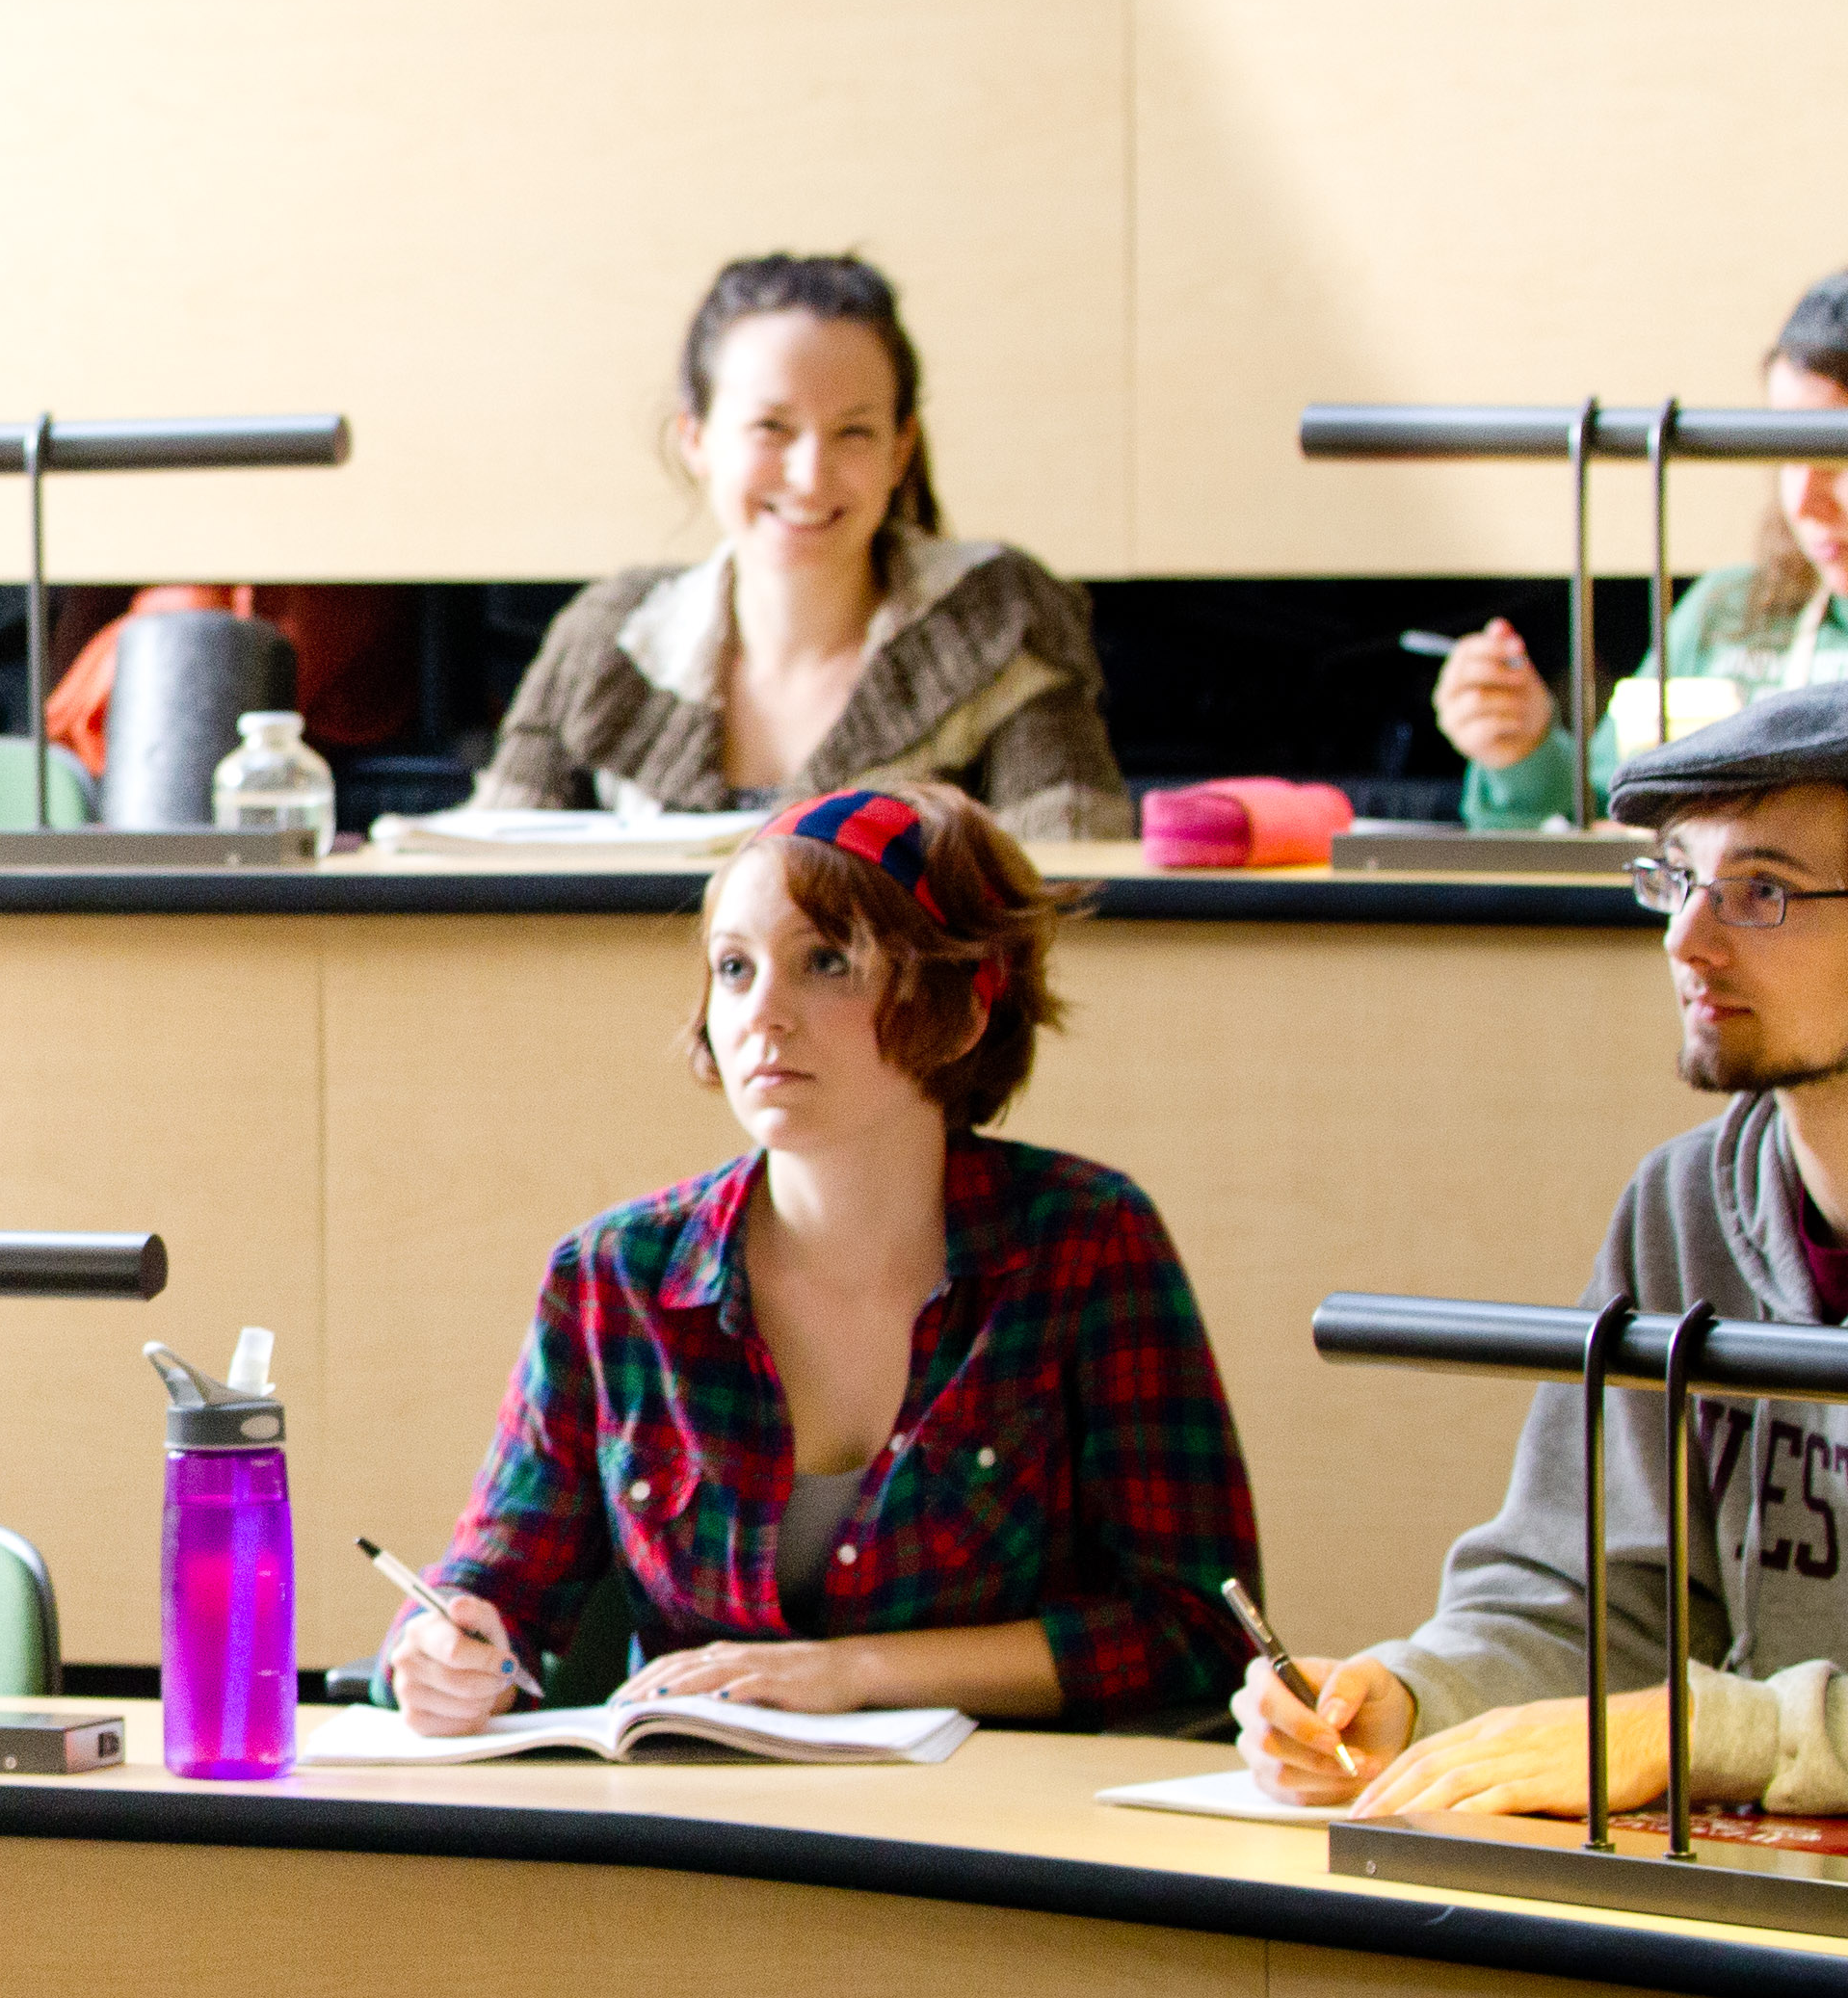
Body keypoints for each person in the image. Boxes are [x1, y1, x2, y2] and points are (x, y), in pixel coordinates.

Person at [385, 784, 1260, 1729]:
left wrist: (857, 1672)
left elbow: (1197, 1629)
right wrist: (444, 1647)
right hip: (694, 1799)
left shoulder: (1087, 1241)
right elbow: (496, 1583)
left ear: (961, 1007)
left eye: (828, 963)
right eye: (734, 968)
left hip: (993, 1803)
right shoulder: (614, 1275)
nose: (763, 1014)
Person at [1240, 687, 1848, 1817]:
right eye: (1678, 880)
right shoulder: (1683, 1206)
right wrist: (1419, 1697)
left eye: (1760, 892)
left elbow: (1684, 1722)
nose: (1685, 939)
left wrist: (1720, 1732)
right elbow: (1602, 1605)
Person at [479, 252, 1131, 837]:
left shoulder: (1000, 619)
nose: (811, 477)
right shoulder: (607, 638)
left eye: (854, 432)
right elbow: (479, 883)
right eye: (772, 427)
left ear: (900, 449)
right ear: (696, 439)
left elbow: (1074, 886)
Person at [1435, 271, 1848, 828]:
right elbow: (1608, 811)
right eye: (1787, 451)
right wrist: (1522, 749)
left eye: (1838, 454)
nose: (1804, 502)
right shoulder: (1727, 612)